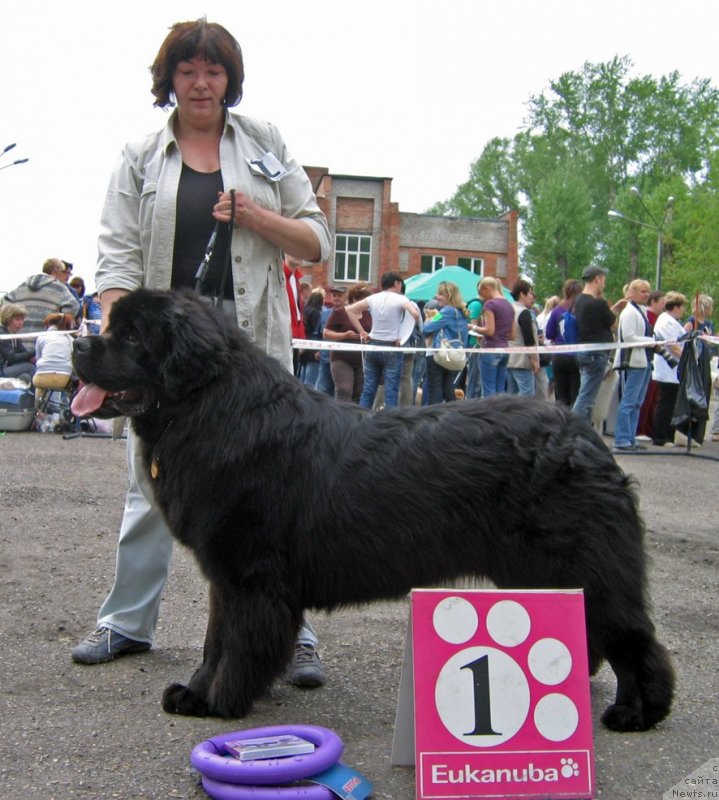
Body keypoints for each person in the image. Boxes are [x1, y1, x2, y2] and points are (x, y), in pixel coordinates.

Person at [70, 18, 331, 688]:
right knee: (151, 481)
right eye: (187, 70)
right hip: (161, 354)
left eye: (213, 70)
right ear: (169, 79)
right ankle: (127, 622)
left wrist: (256, 216)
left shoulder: (266, 142)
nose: (200, 82)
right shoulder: (139, 156)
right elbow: (116, 257)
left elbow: (316, 242)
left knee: (277, 494)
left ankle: (293, 634)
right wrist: (119, 341)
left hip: (250, 351)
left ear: (230, 80)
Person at [345, 271, 420, 409]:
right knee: (391, 392)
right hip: (391, 347)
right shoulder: (401, 299)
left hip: (373, 345)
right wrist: (403, 337)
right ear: (396, 283)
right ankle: (389, 420)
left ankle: (362, 417)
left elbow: (349, 310)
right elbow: (415, 314)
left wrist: (362, 332)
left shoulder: (373, 298)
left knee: (368, 389)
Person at [571, 266, 624, 422]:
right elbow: (613, 324)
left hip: (584, 351)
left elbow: (598, 319)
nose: (604, 284)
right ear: (597, 279)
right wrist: (615, 310)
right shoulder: (599, 303)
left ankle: (584, 430)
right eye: (603, 280)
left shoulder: (579, 301)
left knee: (587, 396)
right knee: (586, 398)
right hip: (597, 354)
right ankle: (573, 426)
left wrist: (612, 309)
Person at [612, 280, 656, 453]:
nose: (646, 295)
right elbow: (629, 337)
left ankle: (630, 437)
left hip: (644, 360)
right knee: (629, 401)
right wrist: (651, 341)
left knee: (637, 402)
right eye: (643, 291)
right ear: (633, 292)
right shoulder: (629, 312)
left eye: (647, 291)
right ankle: (622, 438)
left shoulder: (641, 311)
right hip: (633, 361)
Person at [4, 258, 80, 352]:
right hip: (45, 343)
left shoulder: (22, 286)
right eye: (63, 272)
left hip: (20, 341)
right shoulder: (59, 288)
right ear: (54, 272)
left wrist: (13, 319)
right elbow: (74, 306)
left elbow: (6, 303)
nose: (67, 277)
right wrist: (57, 320)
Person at [421, 281, 469, 404]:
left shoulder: (446, 311)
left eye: (440, 294)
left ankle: (435, 414)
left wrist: (431, 318)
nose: (437, 297)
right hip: (455, 355)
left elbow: (426, 330)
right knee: (449, 389)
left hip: (440, 355)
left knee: (435, 390)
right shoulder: (462, 312)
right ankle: (453, 413)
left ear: (449, 296)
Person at [323, 283, 371, 403]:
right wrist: (344, 335)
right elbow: (326, 333)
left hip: (362, 360)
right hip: (341, 359)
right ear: (354, 299)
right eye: (364, 300)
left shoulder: (368, 314)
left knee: (360, 391)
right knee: (344, 390)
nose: (366, 303)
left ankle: (357, 415)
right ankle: (341, 414)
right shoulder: (340, 312)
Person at [651, 292, 687, 447]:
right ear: (676, 307)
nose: (683, 310)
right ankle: (660, 437)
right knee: (666, 403)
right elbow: (673, 346)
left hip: (672, 370)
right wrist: (686, 359)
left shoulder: (670, 321)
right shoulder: (667, 322)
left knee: (670, 403)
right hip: (668, 370)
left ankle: (668, 435)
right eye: (682, 307)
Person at [469, 277, 515, 397]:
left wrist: (473, 327)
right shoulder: (509, 305)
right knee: (500, 389)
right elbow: (512, 335)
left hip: (490, 349)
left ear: (487, 288)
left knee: (488, 389)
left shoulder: (490, 304)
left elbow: (490, 331)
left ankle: (489, 409)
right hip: (505, 349)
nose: (481, 297)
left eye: (481, 292)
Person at [544, 279, 582, 407]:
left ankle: (560, 418)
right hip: (576, 356)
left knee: (560, 396)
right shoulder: (580, 309)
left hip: (559, 355)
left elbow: (549, 334)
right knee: (576, 395)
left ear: (564, 291)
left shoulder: (556, 310)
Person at [636, 289, 666, 440]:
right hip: (647, 359)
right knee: (646, 396)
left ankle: (648, 428)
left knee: (653, 397)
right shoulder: (647, 317)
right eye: (662, 302)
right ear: (653, 302)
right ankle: (640, 429)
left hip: (654, 361)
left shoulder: (658, 318)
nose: (663, 306)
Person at [506, 279, 539, 397]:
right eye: (529, 293)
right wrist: (534, 359)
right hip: (522, 361)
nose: (532, 297)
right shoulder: (524, 313)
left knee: (511, 395)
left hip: (509, 359)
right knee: (527, 394)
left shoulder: (509, 309)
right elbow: (529, 339)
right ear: (521, 294)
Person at [0, 303, 36, 383]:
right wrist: (33, 352)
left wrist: (32, 357)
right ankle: (41, 390)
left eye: (22, 319)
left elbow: (24, 352)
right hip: (1, 371)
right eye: (17, 319)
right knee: (29, 367)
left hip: (7, 369)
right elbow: (11, 358)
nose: (21, 323)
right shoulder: (2, 334)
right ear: (8, 320)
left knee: (25, 377)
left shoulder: (14, 335)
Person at [283, 254, 306, 377]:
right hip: (284, 337)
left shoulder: (296, 278)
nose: (298, 253)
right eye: (293, 250)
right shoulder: (280, 275)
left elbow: (298, 313)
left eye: (301, 251)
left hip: (294, 340)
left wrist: (301, 338)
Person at [297, 289, 325, 387]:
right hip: (314, 347)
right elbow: (318, 330)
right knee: (311, 380)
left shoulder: (304, 310)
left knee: (301, 377)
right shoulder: (316, 313)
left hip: (304, 344)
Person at [464, 284, 483, 399]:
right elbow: (473, 326)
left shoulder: (475, 303)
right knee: (474, 376)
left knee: (475, 376)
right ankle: (471, 399)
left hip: (474, 343)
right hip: (474, 343)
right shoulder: (477, 304)